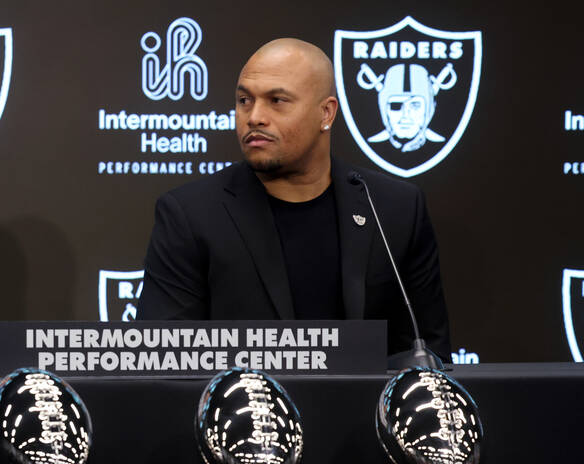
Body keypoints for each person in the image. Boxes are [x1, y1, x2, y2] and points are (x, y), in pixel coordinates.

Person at [137, 38, 450, 359]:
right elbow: (164, 362)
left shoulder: (393, 207)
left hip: (366, 408)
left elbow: (426, 356)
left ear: (326, 113)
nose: (254, 116)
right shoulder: (190, 214)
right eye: (244, 100)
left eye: (277, 101)